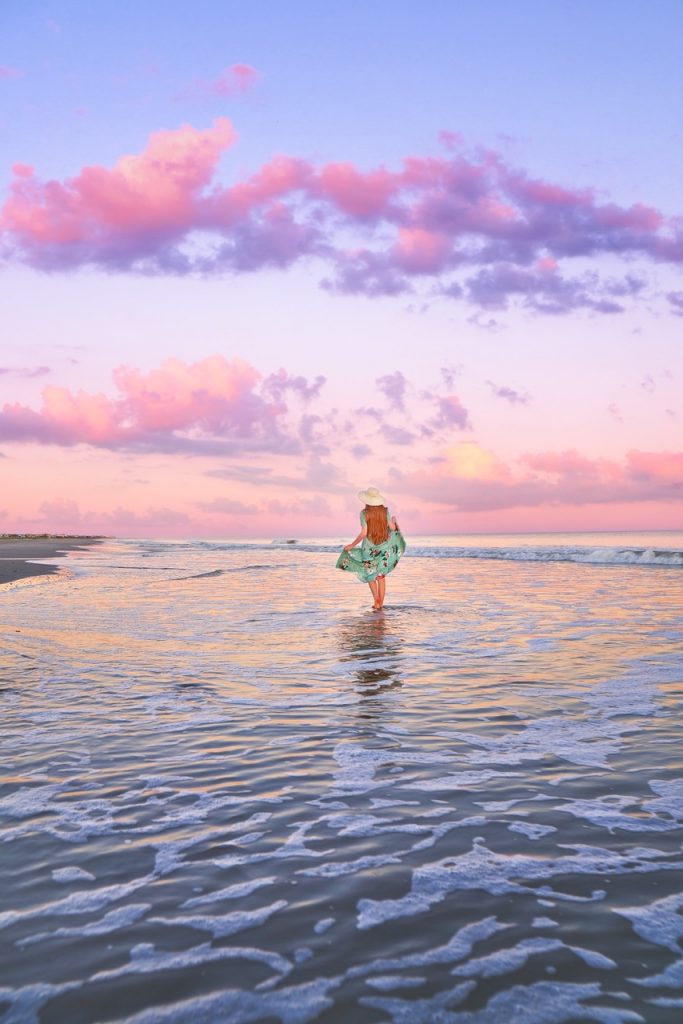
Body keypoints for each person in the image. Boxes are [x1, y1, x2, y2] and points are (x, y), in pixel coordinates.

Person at [336, 486, 406, 611]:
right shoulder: (385, 511)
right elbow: (393, 528)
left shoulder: (364, 514)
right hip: (383, 549)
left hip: (368, 550)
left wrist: (352, 545)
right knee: (381, 576)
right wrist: (394, 521)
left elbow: (364, 533)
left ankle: (376, 600)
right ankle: (381, 604)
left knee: (371, 575)